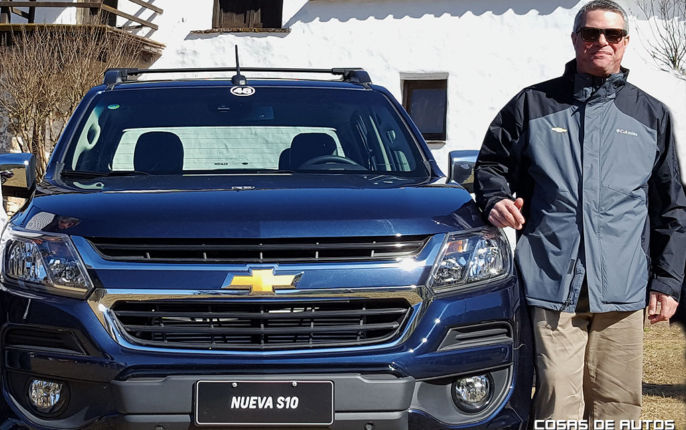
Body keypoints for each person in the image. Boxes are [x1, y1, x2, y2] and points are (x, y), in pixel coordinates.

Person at [473, 0, 686, 424]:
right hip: (550, 281)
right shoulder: (532, 105)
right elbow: (491, 165)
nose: (601, 41)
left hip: (623, 287)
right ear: (575, 39)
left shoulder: (651, 115)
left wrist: (667, 281)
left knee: (618, 404)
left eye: (612, 34)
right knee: (556, 398)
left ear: (625, 43)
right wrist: (495, 199)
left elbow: (671, 206)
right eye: (591, 33)